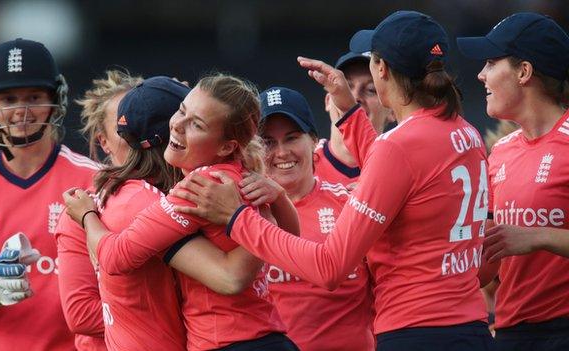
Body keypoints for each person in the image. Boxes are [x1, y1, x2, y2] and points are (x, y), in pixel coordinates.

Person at [171, 11, 494, 351]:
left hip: (417, 331)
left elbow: (328, 267)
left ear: (381, 69)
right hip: (469, 326)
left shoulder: (398, 146)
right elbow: (403, 168)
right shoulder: (465, 132)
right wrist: (350, 112)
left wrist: (238, 218)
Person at [63, 73, 300, 351]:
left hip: (229, 343)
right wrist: (276, 203)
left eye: (196, 123)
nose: (179, 126)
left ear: (227, 145)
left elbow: (115, 258)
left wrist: (86, 217)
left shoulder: (196, 189)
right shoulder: (237, 175)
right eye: (181, 111)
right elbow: (288, 243)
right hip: (267, 338)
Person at [0, 38, 97, 350]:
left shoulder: (94, 180)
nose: (21, 110)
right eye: (8, 98)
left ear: (56, 99)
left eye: (34, 96)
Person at [458, 12, 569, 350]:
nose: (480, 74)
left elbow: (522, 238)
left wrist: (537, 236)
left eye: (491, 62)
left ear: (524, 72)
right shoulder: (499, 152)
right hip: (510, 332)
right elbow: (487, 265)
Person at [249, 86, 374, 350]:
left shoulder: (351, 205)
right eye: (268, 142)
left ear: (314, 141)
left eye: (292, 138)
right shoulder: (243, 214)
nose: (281, 153)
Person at [55, 70, 143, 351]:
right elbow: (80, 313)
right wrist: (160, 318)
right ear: (103, 141)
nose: (135, 130)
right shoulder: (83, 209)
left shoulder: (187, 194)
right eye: (122, 124)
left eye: (143, 116)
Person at [314, 46, 394, 188]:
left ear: (392, 111)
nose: (354, 97)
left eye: (371, 90)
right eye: (345, 86)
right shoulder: (301, 167)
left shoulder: (401, 175)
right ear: (327, 101)